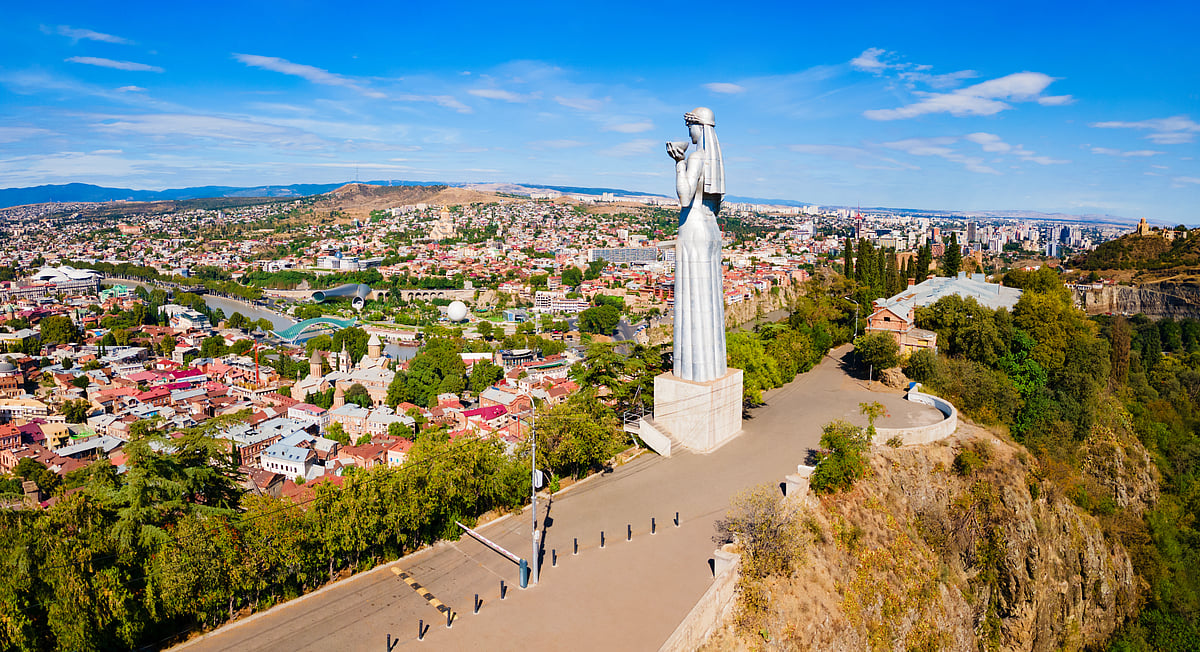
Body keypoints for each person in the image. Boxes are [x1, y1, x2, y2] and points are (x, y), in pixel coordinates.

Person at [665, 107, 727, 382]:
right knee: (709, 300)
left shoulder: (697, 156)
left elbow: (684, 196)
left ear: (698, 127)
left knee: (694, 299)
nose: (688, 132)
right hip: (711, 229)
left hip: (693, 229)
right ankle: (712, 370)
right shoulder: (714, 160)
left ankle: (693, 375)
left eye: (689, 126)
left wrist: (678, 162)